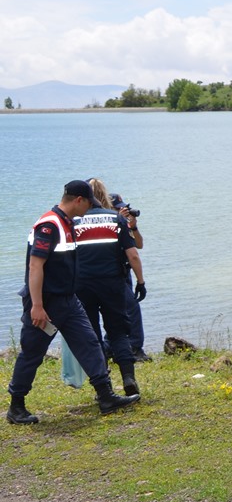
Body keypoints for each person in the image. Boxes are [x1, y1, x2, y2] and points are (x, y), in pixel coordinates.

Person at [6, 181, 141, 425]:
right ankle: (16, 406)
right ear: (79, 199)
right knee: (33, 353)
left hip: (69, 300)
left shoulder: (68, 223)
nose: (89, 209)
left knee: (89, 343)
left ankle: (106, 396)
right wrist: (37, 305)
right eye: (89, 203)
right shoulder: (49, 225)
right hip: (46, 303)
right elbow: (35, 265)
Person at [76, 182, 147, 396]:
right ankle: (128, 378)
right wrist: (141, 282)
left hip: (82, 285)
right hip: (113, 283)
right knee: (118, 333)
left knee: (92, 335)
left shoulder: (73, 222)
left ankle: (103, 386)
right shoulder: (115, 218)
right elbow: (133, 253)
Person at [105, 186, 151, 362]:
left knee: (116, 311)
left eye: (122, 208)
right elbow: (133, 254)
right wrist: (142, 282)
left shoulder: (123, 225)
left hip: (124, 273)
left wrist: (133, 226)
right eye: (117, 208)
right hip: (115, 273)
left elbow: (139, 245)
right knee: (131, 310)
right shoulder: (111, 224)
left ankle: (110, 347)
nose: (121, 211)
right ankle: (134, 348)